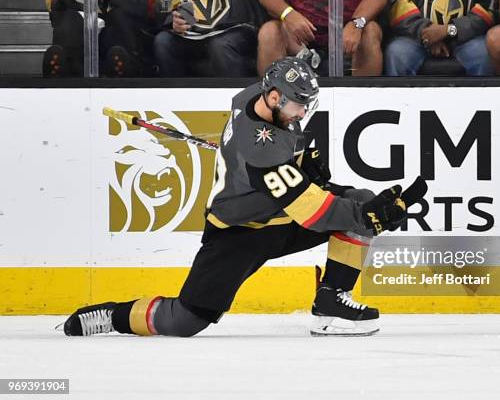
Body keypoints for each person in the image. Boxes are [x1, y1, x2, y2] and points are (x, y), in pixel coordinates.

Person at [62, 57, 427, 338]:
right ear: (274, 97)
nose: (303, 113)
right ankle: (112, 315)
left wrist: (299, 164)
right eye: (299, 105)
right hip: (238, 230)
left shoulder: (253, 95)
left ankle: (330, 303)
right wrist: (367, 218)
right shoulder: (261, 153)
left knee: (360, 199)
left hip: (275, 208)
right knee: (186, 320)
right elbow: (314, 213)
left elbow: (282, 168)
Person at [257, 0, 387, 76]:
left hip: (349, 38)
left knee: (370, 32)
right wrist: (287, 14)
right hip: (300, 38)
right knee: (269, 32)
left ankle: (362, 101)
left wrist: (357, 24)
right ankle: (273, 104)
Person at [43, 0, 164, 77]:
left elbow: (150, 9)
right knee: (70, 21)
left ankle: (123, 70)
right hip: (80, 19)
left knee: (120, 22)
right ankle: (61, 72)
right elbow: (55, 7)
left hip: (120, 23)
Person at [153, 0, 268, 77]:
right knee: (163, 41)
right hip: (190, 34)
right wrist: (173, 23)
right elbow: (162, 7)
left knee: (220, 45)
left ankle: (238, 103)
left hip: (235, 27)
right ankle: (175, 102)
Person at [384, 0, 499, 76]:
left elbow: (488, 9)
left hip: (466, 38)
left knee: (483, 54)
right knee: (397, 53)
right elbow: (397, 5)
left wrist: (451, 30)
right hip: (416, 37)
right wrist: (427, 32)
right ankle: (402, 107)